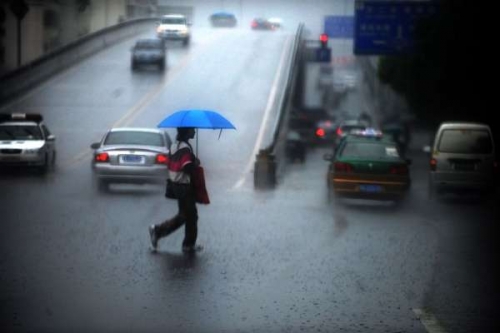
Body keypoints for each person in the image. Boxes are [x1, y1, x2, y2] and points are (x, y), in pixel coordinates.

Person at [149, 127, 203, 253]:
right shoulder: (185, 148)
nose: (194, 131)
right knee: (189, 215)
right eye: (192, 130)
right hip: (184, 186)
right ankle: (159, 231)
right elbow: (186, 167)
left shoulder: (174, 145)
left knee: (186, 215)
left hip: (176, 184)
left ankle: (187, 243)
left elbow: (172, 163)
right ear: (187, 131)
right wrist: (195, 162)